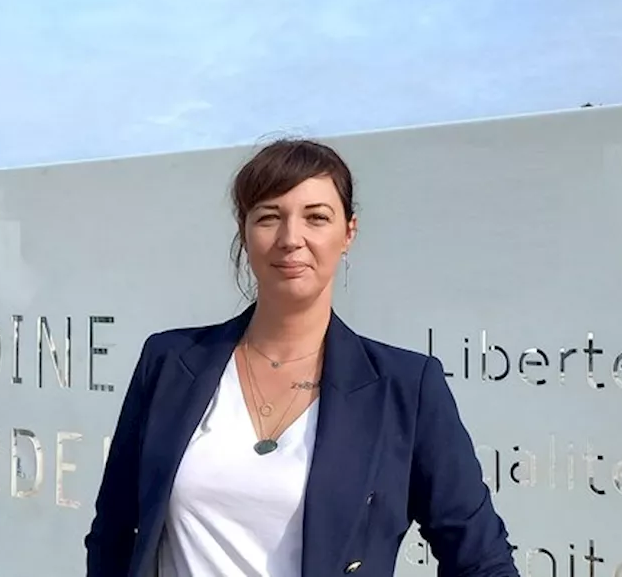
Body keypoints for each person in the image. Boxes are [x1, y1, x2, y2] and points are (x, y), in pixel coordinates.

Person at [85, 138, 518, 577]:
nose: (291, 239)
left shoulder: (405, 389)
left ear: (348, 232)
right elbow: (113, 533)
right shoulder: (170, 363)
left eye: (316, 218)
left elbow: (480, 559)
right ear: (244, 230)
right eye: (269, 217)